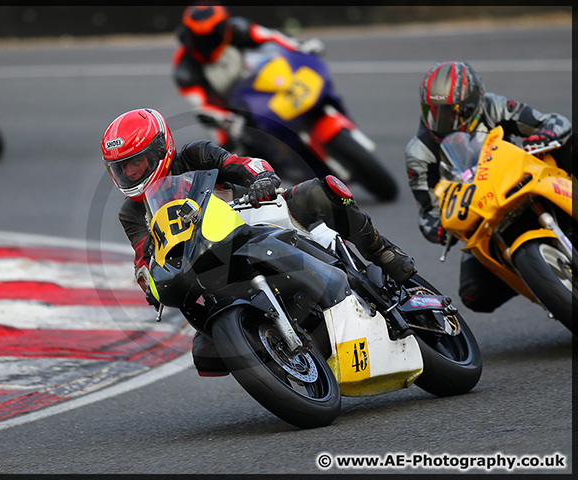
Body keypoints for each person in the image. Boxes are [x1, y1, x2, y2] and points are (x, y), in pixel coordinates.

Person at [102, 107, 415, 376]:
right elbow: (145, 255)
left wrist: (260, 178)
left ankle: (383, 252)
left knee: (321, 192)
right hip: (207, 266)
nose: (130, 173)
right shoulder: (131, 213)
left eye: (137, 162)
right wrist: (149, 280)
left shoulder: (196, 155)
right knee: (205, 348)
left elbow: (239, 164)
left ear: (159, 150)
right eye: (122, 168)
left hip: (256, 221)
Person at [405, 60, 573, 313]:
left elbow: (554, 122)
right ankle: (544, 284)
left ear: (473, 103)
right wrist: (439, 228)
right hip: (480, 215)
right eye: (433, 110)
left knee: (572, 141)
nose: (440, 119)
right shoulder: (419, 152)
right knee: (474, 295)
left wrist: (545, 135)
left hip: (519, 182)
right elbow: (427, 213)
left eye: (451, 111)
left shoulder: (493, 106)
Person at [172, 3, 329, 151]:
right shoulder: (184, 66)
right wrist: (227, 119)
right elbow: (201, 104)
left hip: (248, 83)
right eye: (200, 38)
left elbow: (272, 37)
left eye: (212, 35)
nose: (207, 43)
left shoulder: (238, 29)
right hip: (224, 107)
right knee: (227, 149)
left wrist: (300, 46)